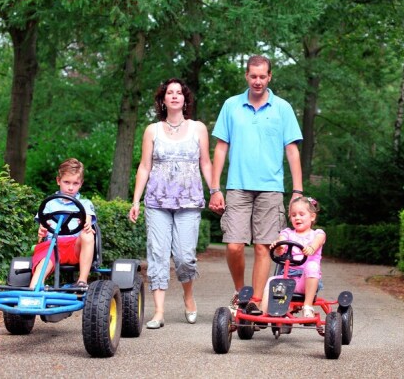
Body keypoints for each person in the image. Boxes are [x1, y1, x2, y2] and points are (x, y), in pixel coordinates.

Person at [209, 54, 303, 315]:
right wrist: (215, 188)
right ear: (246, 76)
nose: (258, 81)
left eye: (262, 76)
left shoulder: (282, 108)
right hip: (237, 186)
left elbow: (292, 151)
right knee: (234, 245)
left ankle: (256, 301)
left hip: (271, 188)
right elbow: (221, 148)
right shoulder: (231, 105)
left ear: (270, 77)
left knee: (264, 247)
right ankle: (242, 292)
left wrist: (297, 192)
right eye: (253, 76)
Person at [129, 78, 213, 329]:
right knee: (158, 254)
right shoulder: (152, 130)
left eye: (179, 92)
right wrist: (136, 201)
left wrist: (215, 191)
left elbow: (205, 163)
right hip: (157, 201)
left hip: (189, 201)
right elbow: (144, 167)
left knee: (185, 256)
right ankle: (159, 312)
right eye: (170, 93)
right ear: (163, 100)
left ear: (185, 99)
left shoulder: (198, 128)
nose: (175, 96)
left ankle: (188, 296)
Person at [30, 158, 96, 289]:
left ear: (81, 184)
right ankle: (35, 291)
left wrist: (86, 222)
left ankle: (82, 281)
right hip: (52, 246)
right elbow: (42, 225)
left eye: (75, 183)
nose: (70, 188)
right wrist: (42, 230)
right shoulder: (49, 203)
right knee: (40, 271)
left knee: (88, 235)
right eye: (66, 182)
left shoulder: (85, 204)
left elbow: (88, 217)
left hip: (74, 247)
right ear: (58, 181)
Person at [263, 196, 326, 317]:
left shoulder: (317, 234)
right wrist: (279, 247)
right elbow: (281, 243)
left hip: (306, 282)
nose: (297, 217)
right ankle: (263, 313)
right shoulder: (287, 233)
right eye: (293, 215)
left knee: (312, 266)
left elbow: (318, 241)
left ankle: (307, 306)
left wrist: (312, 248)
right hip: (287, 278)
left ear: (312, 217)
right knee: (271, 281)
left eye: (301, 214)